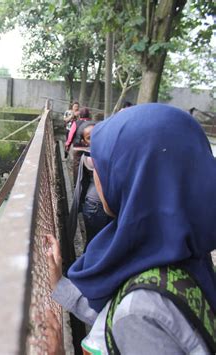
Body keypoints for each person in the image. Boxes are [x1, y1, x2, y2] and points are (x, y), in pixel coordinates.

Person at [47, 103, 216, 354]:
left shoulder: (141, 311)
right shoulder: (184, 255)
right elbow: (115, 319)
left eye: (103, 164)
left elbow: (131, 317)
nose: (95, 174)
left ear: (135, 178)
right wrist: (59, 284)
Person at [67, 121, 112, 249]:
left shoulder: (101, 151)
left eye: (97, 134)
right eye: (89, 137)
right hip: (96, 207)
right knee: (96, 243)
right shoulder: (90, 156)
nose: (95, 139)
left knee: (98, 242)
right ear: (84, 142)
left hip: (99, 204)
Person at [65, 107, 92, 184]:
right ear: (89, 115)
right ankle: (88, 182)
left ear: (80, 115)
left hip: (78, 148)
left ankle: (76, 183)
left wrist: (67, 145)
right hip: (89, 149)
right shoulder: (92, 124)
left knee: (76, 164)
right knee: (88, 165)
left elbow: (71, 136)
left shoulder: (76, 123)